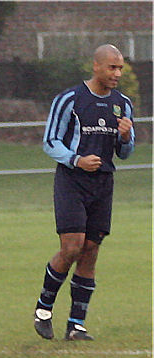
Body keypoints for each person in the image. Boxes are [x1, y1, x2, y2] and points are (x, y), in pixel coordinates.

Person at [33, 44, 135, 341]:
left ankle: (76, 324)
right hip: (72, 181)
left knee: (90, 252)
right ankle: (43, 309)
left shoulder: (123, 104)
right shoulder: (69, 100)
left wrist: (126, 137)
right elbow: (50, 141)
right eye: (112, 67)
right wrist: (76, 160)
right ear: (96, 66)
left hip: (103, 183)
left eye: (120, 68)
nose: (117, 73)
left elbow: (125, 152)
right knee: (72, 247)